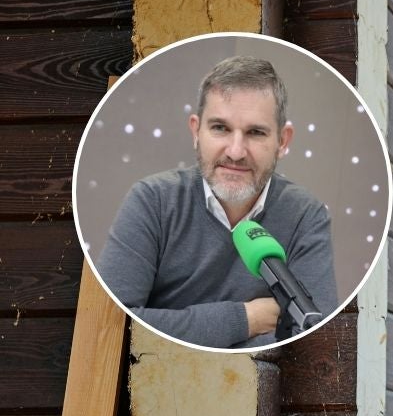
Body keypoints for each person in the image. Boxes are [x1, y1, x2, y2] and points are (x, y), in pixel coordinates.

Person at [96, 56, 337, 349]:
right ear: (196, 132)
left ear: (283, 141)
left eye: (255, 132)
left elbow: (313, 339)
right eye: (220, 128)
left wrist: (181, 329)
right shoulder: (152, 201)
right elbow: (111, 327)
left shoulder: (305, 215)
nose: (235, 152)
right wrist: (246, 319)